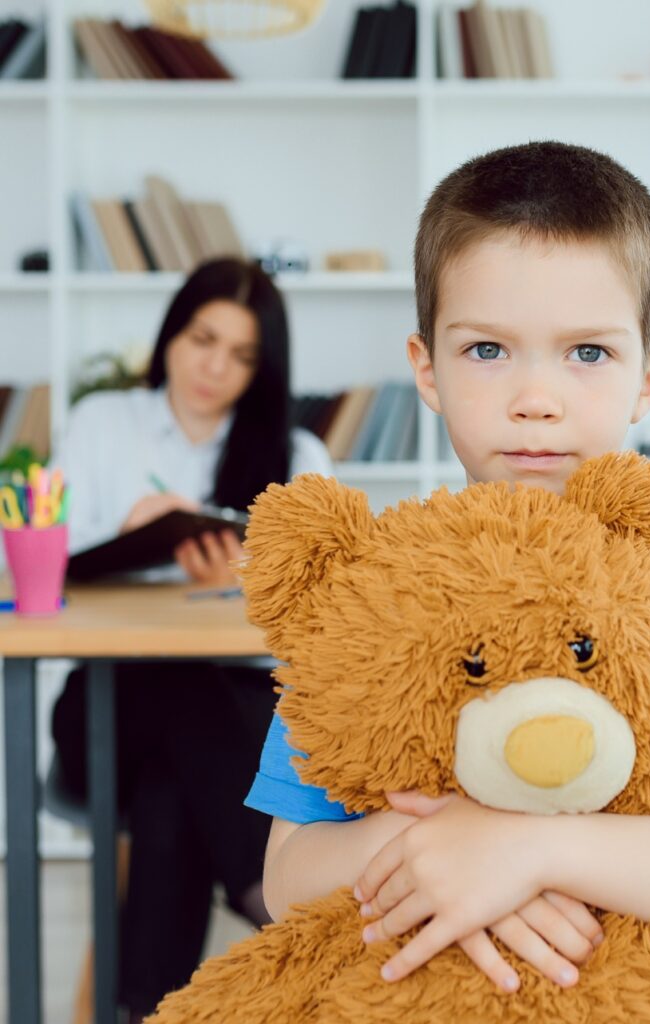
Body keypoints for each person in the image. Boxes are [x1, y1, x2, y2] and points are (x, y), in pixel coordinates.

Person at [244, 142, 650, 995]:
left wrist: (529, 846)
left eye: (586, 353)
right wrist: (450, 845)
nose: (535, 398)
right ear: (426, 369)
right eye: (487, 351)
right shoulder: (371, 594)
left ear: (649, 377)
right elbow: (286, 877)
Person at [50, 257, 333, 1022]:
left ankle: (140, 1011)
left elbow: (329, 617)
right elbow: (37, 575)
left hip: (226, 718)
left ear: (262, 369)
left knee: (171, 791)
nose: (214, 367)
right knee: (175, 686)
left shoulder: (294, 460)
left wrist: (252, 575)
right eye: (203, 338)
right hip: (106, 705)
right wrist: (128, 531)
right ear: (172, 332)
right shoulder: (100, 424)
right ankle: (271, 896)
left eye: (240, 354)